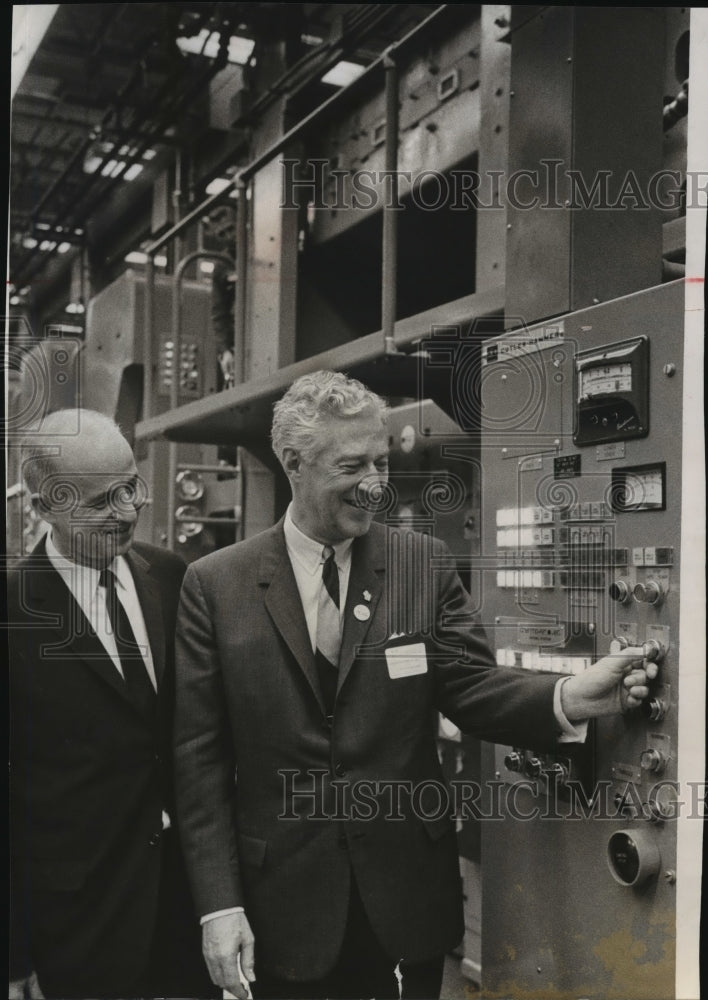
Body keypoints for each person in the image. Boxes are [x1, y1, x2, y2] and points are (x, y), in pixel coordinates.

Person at [173, 370, 658, 1000]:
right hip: (281, 907)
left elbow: (472, 686)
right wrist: (219, 907)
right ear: (293, 462)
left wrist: (570, 697)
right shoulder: (216, 587)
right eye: (352, 466)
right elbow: (199, 762)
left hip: (403, 900)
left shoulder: (419, 564)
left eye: (381, 460)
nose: (375, 484)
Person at [8, 409, 216, 999]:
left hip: (182, 914)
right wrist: (12, 952)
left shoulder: (174, 578)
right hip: (75, 929)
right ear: (43, 506)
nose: (127, 511)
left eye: (132, 487)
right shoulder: (14, 611)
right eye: (101, 501)